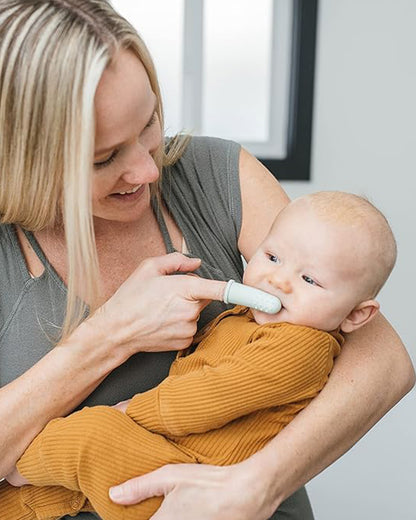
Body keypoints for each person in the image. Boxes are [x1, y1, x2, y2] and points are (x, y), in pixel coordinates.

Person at [0, 2, 413, 520]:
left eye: (149, 122)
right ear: (22, 155)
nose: (150, 170)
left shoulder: (214, 173)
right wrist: (111, 335)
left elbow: (384, 360)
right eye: (104, 157)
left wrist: (255, 486)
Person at [0, 191, 398, 520]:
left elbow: (207, 398)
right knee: (72, 488)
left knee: (94, 436)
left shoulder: (300, 347)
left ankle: (20, 467)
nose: (277, 281)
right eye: (273, 258)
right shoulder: (241, 318)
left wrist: (130, 413)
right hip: (167, 458)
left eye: (309, 279)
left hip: (192, 478)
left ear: (355, 315)